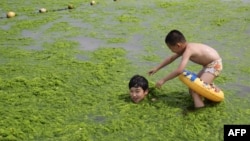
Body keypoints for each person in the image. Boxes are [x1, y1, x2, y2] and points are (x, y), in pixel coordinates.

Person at [148, 29, 223, 108]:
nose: (171, 51)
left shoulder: (188, 50)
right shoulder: (184, 48)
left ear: (178, 45)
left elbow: (179, 70)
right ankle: (210, 88)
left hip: (214, 65)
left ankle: (200, 111)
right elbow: (171, 59)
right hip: (208, 66)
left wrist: (163, 80)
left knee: (195, 91)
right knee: (191, 90)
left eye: (171, 49)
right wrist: (157, 68)